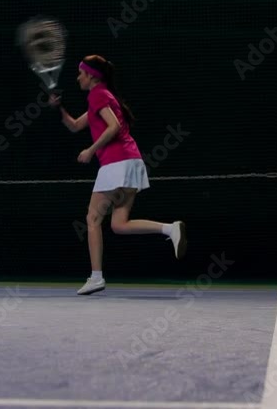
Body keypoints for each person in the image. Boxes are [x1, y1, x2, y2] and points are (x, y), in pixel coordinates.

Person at [49, 54, 187, 295]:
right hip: (131, 162)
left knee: (92, 219)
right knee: (119, 224)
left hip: (117, 163)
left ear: (91, 76)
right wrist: (59, 107)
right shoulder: (101, 98)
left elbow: (113, 127)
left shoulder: (98, 94)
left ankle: (96, 277)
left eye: (81, 73)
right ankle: (170, 229)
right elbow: (73, 126)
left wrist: (91, 150)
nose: (78, 77)